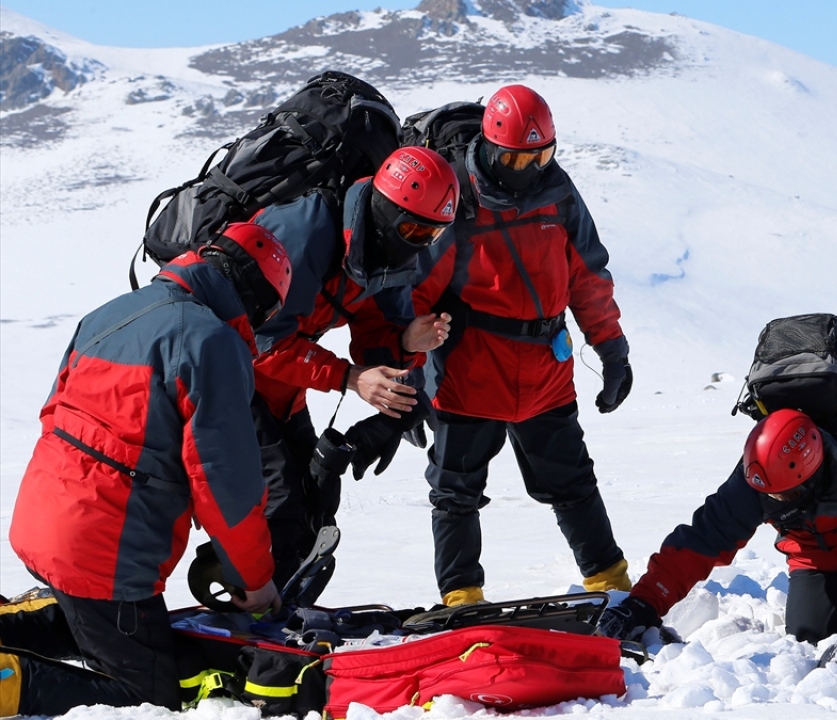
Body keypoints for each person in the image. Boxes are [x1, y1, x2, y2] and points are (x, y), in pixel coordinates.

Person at [2, 224, 290, 715]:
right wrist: (256, 581)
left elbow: (54, 411)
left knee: (89, 619)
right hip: (105, 556)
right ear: (252, 295)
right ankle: (10, 684)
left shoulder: (110, 313)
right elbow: (226, 486)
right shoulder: (209, 341)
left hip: (43, 518)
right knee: (146, 697)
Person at [409, 84, 633, 606]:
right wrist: (404, 378)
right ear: (490, 146)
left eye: (543, 154)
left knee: (573, 481)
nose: (531, 168)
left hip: (545, 373)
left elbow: (587, 275)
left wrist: (612, 349)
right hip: (467, 373)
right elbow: (415, 293)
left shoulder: (557, 192)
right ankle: (462, 597)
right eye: (517, 156)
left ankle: (610, 584)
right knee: (455, 492)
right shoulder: (456, 197)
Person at [248, 145, 458, 588]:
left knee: (314, 502)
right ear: (386, 209)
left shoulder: (386, 251)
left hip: (283, 389)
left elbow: (373, 341)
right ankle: (261, 620)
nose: (420, 243)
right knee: (279, 503)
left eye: (433, 236)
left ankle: (278, 610)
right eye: (415, 230)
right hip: (224, 380)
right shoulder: (303, 236)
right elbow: (258, 341)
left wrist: (404, 343)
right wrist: (347, 377)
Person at [599, 409, 837, 644]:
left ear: (811, 478)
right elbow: (701, 539)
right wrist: (643, 604)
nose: (771, 503)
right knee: (810, 641)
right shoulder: (755, 484)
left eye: (782, 496)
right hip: (820, 559)